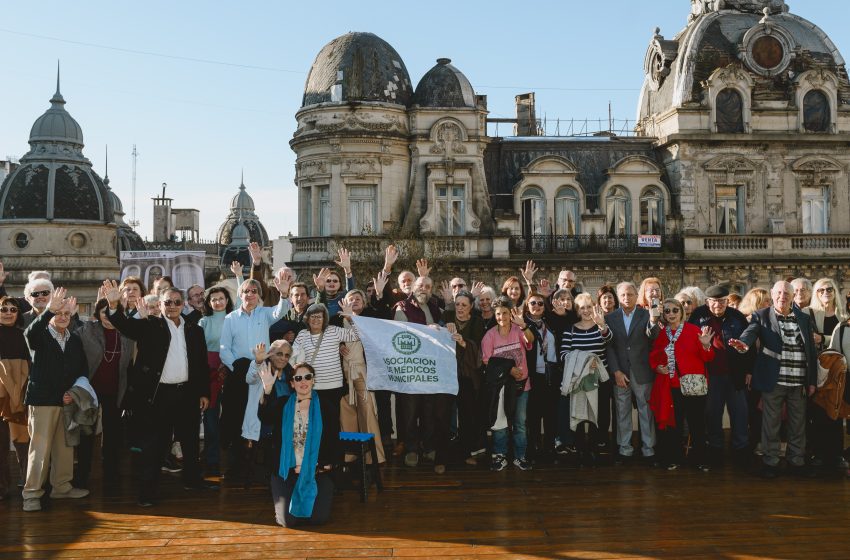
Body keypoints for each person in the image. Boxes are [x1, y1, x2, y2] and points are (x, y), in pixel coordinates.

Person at [103, 281, 215, 505]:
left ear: (183, 305)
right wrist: (114, 304)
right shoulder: (149, 326)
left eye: (176, 302)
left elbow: (201, 364)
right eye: (167, 302)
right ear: (161, 305)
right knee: (154, 446)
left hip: (187, 394)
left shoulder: (195, 329)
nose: (172, 306)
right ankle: (147, 492)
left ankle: (192, 480)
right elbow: (124, 325)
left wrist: (203, 393)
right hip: (158, 396)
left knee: (191, 442)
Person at [731, 281, 818, 478]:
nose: (782, 296)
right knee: (771, 424)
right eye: (778, 293)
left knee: (798, 424)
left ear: (793, 296)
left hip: (799, 381)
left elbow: (811, 351)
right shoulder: (762, 315)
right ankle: (770, 462)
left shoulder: (803, 318)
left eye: (787, 293)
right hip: (774, 380)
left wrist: (811, 380)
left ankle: (796, 461)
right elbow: (750, 333)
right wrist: (743, 345)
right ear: (772, 294)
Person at [21, 288, 89, 512]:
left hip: (66, 401)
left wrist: (74, 392)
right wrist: (49, 310)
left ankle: (62, 487)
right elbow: (29, 333)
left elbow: (81, 369)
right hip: (42, 402)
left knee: (65, 447)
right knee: (39, 450)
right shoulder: (40, 335)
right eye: (58, 313)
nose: (62, 317)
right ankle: (31, 494)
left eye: (66, 314)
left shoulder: (74, 339)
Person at [219, 276, 292, 478]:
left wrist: (284, 294)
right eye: (246, 291)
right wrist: (237, 369)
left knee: (258, 417)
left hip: (262, 373)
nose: (250, 294)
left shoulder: (265, 313)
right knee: (236, 418)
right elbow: (224, 348)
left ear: (258, 296)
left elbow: (281, 311)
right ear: (240, 294)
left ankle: (262, 464)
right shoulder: (230, 318)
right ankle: (236, 466)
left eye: (254, 291)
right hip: (239, 372)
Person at [258, 362, 334, 527]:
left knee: (318, 519)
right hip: (286, 472)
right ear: (292, 384)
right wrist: (268, 389)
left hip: (315, 473)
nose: (303, 381)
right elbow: (265, 416)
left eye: (308, 377)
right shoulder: (283, 404)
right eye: (298, 378)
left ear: (313, 380)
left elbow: (333, 444)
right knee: (288, 521)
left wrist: (316, 467)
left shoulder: (326, 407)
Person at [687, 284, 752, 466]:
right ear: (708, 302)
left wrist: (748, 370)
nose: (718, 305)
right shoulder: (698, 316)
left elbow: (750, 346)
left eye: (722, 301)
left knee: (740, 413)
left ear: (727, 301)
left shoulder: (737, 317)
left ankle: (741, 450)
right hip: (710, 375)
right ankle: (715, 448)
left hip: (735, 374)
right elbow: (690, 344)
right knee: (712, 413)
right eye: (714, 302)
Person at [393, 276, 452, 472]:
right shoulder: (402, 306)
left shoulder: (435, 308)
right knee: (409, 413)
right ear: (413, 287)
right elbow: (400, 332)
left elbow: (447, 325)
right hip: (409, 370)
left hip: (430, 369)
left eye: (428, 286)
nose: (424, 289)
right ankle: (411, 449)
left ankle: (428, 447)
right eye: (420, 285)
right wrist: (428, 330)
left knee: (429, 411)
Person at [291, 302, 359, 469]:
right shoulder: (302, 335)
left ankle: (332, 462)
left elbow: (356, 335)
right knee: (312, 425)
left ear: (325, 319)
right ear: (307, 318)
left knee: (331, 426)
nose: (316, 319)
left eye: (319, 316)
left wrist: (351, 317)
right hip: (311, 389)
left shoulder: (334, 331)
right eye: (312, 316)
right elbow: (293, 358)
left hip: (333, 388)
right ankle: (316, 460)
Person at [75, 296, 135, 486]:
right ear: (97, 314)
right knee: (86, 435)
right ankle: (82, 475)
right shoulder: (87, 330)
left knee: (113, 436)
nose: (108, 316)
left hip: (116, 392)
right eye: (104, 311)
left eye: (112, 312)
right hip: (90, 391)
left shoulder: (128, 334)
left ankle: (111, 474)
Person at [649, 298, 714, 471]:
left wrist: (706, 346)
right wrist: (658, 368)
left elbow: (708, 358)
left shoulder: (693, 330)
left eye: (675, 310)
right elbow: (654, 355)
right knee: (674, 426)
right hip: (672, 386)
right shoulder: (663, 333)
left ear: (681, 312)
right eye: (667, 311)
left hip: (693, 385)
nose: (671, 314)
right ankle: (674, 458)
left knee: (697, 424)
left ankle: (701, 460)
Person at [606, 281, 660, 464]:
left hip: (642, 371)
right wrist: (616, 371)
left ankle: (649, 449)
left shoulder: (647, 315)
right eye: (622, 295)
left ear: (637, 296)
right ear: (618, 297)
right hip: (620, 372)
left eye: (630, 294)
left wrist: (654, 320)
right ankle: (625, 450)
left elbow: (654, 336)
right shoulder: (610, 318)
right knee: (622, 411)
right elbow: (609, 347)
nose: (626, 298)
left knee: (646, 411)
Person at [560, 293, 613, 464]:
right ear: (577, 310)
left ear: (594, 308)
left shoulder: (601, 326)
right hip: (579, 380)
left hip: (599, 378)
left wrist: (601, 324)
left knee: (600, 415)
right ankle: (581, 451)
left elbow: (609, 339)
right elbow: (563, 355)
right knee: (580, 414)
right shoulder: (571, 329)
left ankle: (595, 449)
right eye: (582, 307)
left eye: (589, 306)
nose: (586, 310)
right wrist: (584, 362)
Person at [482, 298, 534, 471]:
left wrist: (524, 325)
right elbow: (487, 362)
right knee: (500, 422)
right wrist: (509, 369)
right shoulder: (489, 335)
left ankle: (521, 456)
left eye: (505, 313)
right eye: (498, 314)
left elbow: (531, 341)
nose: (501, 316)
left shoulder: (518, 330)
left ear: (510, 313)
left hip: (521, 385)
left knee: (520, 423)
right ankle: (500, 455)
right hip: (500, 387)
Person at [338, 290, 386, 464]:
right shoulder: (337, 321)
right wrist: (339, 346)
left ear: (364, 303)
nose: (355, 301)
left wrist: (352, 318)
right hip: (341, 373)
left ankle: (374, 457)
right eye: (351, 299)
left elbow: (372, 338)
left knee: (367, 410)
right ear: (345, 302)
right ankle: (350, 455)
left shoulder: (368, 320)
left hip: (362, 371)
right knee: (346, 412)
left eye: (359, 299)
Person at [197, 286, 236, 476]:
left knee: (230, 415)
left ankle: (233, 458)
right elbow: (198, 350)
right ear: (209, 302)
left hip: (231, 370)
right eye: (214, 299)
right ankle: (212, 458)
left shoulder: (235, 319)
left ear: (227, 300)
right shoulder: (204, 321)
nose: (218, 302)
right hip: (209, 372)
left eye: (221, 298)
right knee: (210, 417)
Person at [443, 290, 486, 464]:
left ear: (470, 307)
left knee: (468, 415)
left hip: (468, 377)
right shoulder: (446, 316)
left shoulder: (477, 322)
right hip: (447, 375)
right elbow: (432, 332)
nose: (460, 308)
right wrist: (439, 328)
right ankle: (443, 455)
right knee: (444, 414)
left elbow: (479, 349)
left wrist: (463, 342)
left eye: (464, 305)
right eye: (457, 304)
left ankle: (466, 453)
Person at [0, 296, 31, 500]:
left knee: (23, 440)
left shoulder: (25, 335)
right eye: (4, 309)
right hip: (1, 394)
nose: (9, 312)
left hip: (20, 391)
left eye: (13, 309)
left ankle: (29, 484)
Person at [523, 292, 559, 463]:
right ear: (527, 306)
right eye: (532, 303)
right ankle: (534, 449)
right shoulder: (523, 324)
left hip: (551, 375)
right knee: (534, 415)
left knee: (551, 415)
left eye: (540, 303)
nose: (536, 306)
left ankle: (550, 449)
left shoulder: (549, 323)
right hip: (533, 375)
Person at [805, 278, 847, 351]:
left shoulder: (845, 313)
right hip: (817, 358)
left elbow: (846, 338)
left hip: (841, 359)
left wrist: (823, 338)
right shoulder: (806, 312)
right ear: (816, 294)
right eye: (821, 290)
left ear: (834, 292)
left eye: (829, 289)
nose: (825, 292)